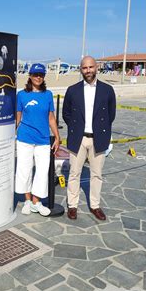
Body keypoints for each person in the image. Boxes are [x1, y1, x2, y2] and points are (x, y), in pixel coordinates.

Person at [62, 56, 116, 221]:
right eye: (85, 68)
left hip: (98, 138)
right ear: (81, 69)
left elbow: (111, 115)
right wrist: (76, 127)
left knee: (97, 174)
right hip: (78, 138)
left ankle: (94, 205)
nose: (88, 71)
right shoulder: (72, 90)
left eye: (91, 67)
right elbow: (66, 113)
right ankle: (72, 206)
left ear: (96, 67)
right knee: (74, 173)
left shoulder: (107, 90)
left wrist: (102, 130)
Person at [15, 63, 60, 216]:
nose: (38, 77)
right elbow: (18, 116)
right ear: (30, 76)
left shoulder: (47, 95)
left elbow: (51, 117)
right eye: (35, 74)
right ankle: (27, 200)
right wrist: (11, 134)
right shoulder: (21, 95)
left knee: (42, 170)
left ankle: (36, 201)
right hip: (25, 137)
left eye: (41, 75)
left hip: (43, 139)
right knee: (24, 169)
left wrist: (57, 137)